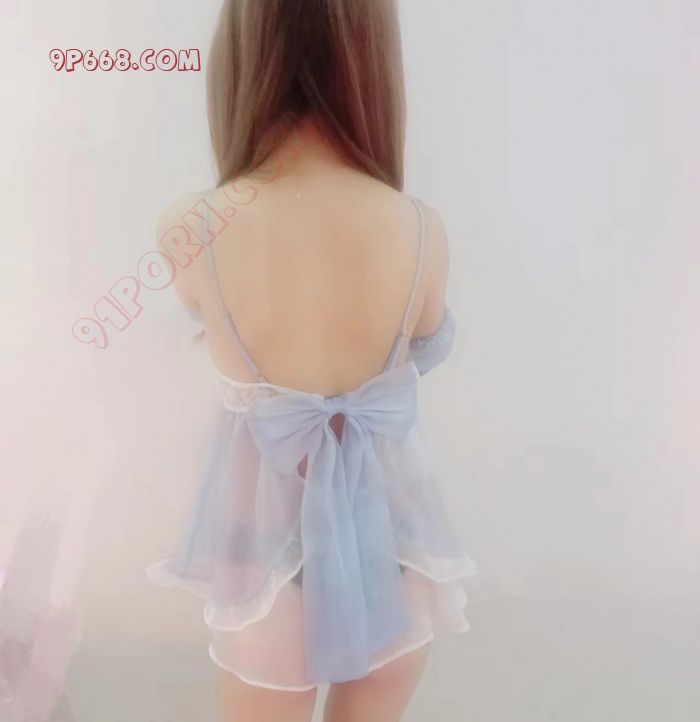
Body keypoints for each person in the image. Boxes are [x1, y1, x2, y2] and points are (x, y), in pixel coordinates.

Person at [147, 1, 477, 720]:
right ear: (373, 63)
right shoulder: (420, 226)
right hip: (395, 558)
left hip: (267, 563)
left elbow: (203, 313)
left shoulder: (194, 226)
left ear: (240, 58)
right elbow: (427, 340)